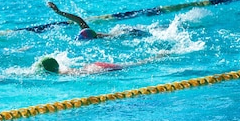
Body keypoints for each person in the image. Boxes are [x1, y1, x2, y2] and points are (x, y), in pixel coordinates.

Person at [38, 51, 169, 76]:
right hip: (94, 66)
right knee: (133, 64)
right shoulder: (63, 69)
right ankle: (158, 56)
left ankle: (159, 56)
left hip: (97, 70)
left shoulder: (64, 75)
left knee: (135, 65)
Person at [47, 1, 112, 40]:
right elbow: (79, 20)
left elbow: (79, 20)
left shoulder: (93, 35)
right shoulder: (91, 33)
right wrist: (58, 12)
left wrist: (58, 12)